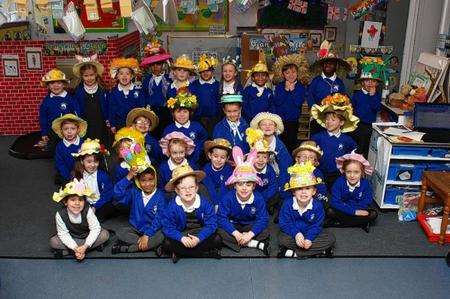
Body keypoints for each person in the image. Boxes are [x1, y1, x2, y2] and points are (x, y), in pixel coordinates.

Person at [162, 164, 222, 263]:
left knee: (217, 239)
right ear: (177, 190)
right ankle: (204, 254)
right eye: (183, 188)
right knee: (166, 243)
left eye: (191, 187)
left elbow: (211, 224)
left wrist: (199, 238)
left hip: (200, 233)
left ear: (196, 188)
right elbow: (168, 227)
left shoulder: (205, 203)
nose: (188, 191)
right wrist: (181, 238)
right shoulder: (172, 207)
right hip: (182, 234)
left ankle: (181, 253)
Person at [217, 147, 270, 256]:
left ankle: (243, 241)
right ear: (235, 185)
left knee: (265, 231)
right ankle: (252, 244)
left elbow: (263, 218)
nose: (244, 188)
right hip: (233, 226)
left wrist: (250, 234)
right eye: (240, 184)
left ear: (254, 186)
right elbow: (221, 218)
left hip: (249, 226)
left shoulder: (258, 198)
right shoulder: (227, 198)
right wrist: (236, 233)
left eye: (248, 184)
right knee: (217, 230)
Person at [278, 162, 335, 258]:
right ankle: (318, 252)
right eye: (299, 188)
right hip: (294, 234)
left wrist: (309, 238)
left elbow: (317, 225)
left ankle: (294, 253)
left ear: (313, 191)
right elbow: (284, 223)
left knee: (330, 238)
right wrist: (296, 234)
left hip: (311, 234)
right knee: (282, 239)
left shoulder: (318, 206)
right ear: (293, 191)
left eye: (308, 188)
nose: (304, 192)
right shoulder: (287, 204)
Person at [50, 178, 109, 261]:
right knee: (54, 242)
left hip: (87, 236)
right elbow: (63, 234)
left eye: (80, 200)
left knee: (104, 234)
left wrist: (85, 246)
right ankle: (85, 250)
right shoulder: (60, 214)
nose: (77, 203)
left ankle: (70, 252)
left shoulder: (88, 210)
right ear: (65, 202)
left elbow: (95, 229)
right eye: (73, 200)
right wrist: (75, 247)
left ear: (84, 202)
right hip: (72, 238)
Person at [112, 165, 166, 254]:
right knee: (120, 232)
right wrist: (129, 176)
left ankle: (130, 248)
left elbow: (159, 219)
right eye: (143, 180)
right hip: (136, 229)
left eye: (151, 180)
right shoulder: (135, 192)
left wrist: (147, 234)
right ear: (138, 181)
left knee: (163, 234)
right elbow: (117, 194)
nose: (147, 184)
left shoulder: (160, 196)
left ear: (155, 179)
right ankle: (152, 246)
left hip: (153, 230)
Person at [310, 93, 359, 188]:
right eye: (327, 119)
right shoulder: (317, 137)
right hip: (319, 173)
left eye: (332, 120)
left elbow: (353, 155)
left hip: (338, 175)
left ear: (341, 122)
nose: (328, 122)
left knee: (335, 196)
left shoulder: (347, 140)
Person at [326, 151, 378, 233]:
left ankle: (340, 223)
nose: (352, 175)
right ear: (344, 171)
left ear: (362, 173)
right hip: (343, 209)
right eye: (348, 172)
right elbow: (335, 202)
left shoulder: (365, 183)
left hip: (357, 208)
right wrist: (354, 212)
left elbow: (367, 200)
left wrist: (356, 210)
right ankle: (359, 223)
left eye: (356, 172)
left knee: (373, 214)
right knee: (329, 211)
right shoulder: (338, 182)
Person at [308, 41, 350, 134]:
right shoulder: (316, 81)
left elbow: (344, 98)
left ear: (336, 66)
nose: (328, 65)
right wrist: (314, 111)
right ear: (322, 65)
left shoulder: (339, 82)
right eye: (326, 63)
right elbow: (309, 96)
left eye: (331, 63)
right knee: (317, 140)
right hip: (318, 118)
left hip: (334, 120)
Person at [272, 53, 310, 152]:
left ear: (298, 73)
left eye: (293, 72)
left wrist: (293, 91)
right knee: (280, 143)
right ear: (283, 74)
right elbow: (277, 101)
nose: (291, 75)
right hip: (280, 121)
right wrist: (285, 89)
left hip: (293, 121)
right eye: (287, 73)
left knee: (292, 144)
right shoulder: (280, 86)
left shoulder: (301, 87)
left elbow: (298, 103)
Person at [72, 138, 115, 222]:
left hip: (100, 203)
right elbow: (75, 194)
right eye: (89, 162)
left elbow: (108, 194)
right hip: (85, 203)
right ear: (82, 161)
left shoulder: (103, 175)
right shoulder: (78, 176)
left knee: (110, 207)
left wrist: (95, 206)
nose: (92, 165)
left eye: (95, 162)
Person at [250, 112, 292, 195]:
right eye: (264, 124)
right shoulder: (254, 142)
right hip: (259, 175)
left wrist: (281, 185)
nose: (267, 127)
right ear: (258, 127)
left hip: (278, 176)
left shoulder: (280, 146)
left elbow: (286, 167)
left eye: (271, 124)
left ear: (276, 127)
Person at [163, 88, 207, 166]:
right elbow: (165, 148)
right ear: (173, 114)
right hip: (175, 165)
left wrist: (197, 151)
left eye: (185, 112)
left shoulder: (197, 126)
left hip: (194, 164)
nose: (182, 115)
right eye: (178, 112)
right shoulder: (168, 129)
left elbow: (203, 140)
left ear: (190, 113)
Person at [37, 69, 79, 151]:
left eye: (59, 83)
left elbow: (77, 112)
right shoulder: (46, 101)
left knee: (70, 148)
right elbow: (43, 118)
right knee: (54, 149)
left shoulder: (70, 99)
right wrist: (44, 132)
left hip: (68, 130)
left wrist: (77, 126)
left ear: (64, 85)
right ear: (48, 86)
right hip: (52, 131)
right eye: (52, 83)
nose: (56, 86)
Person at [72, 54, 110, 144]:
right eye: (86, 76)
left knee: (101, 143)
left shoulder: (103, 89)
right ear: (82, 76)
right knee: (88, 144)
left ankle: (102, 156)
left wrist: (108, 119)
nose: (89, 78)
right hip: (86, 123)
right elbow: (77, 108)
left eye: (92, 75)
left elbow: (108, 105)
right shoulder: (78, 91)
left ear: (96, 74)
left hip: (101, 123)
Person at [351, 57, 384, 158]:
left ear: (377, 84)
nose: (370, 83)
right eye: (367, 81)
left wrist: (372, 96)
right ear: (362, 82)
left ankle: (363, 165)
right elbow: (351, 109)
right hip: (357, 125)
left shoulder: (376, 96)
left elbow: (377, 108)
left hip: (369, 126)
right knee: (356, 148)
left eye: (373, 81)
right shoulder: (357, 95)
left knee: (366, 149)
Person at [141, 39, 172, 137]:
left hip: (166, 112)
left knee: (166, 135)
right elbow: (144, 95)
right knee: (152, 135)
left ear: (163, 64)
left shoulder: (169, 79)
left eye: (158, 64)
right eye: (152, 64)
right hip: (151, 112)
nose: (155, 67)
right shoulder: (146, 80)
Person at [108, 58, 145, 133]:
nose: (124, 76)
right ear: (117, 76)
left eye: (127, 74)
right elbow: (111, 110)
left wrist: (141, 122)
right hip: (120, 125)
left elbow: (142, 107)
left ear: (132, 76)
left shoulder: (138, 90)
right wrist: (113, 124)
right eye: (121, 73)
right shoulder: (113, 92)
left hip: (135, 124)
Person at [245, 128, 277, 207]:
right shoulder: (247, 169)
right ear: (251, 157)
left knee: (276, 196)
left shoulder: (269, 170)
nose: (261, 160)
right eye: (257, 156)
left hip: (265, 196)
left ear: (268, 159)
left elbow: (273, 186)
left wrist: (262, 197)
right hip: (249, 195)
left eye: (264, 157)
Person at [52, 114, 87, 185]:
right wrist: (69, 176)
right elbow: (60, 163)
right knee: (66, 185)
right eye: (66, 129)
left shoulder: (83, 143)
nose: (69, 132)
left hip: (82, 172)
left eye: (73, 129)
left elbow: (87, 159)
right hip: (67, 172)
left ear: (78, 130)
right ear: (61, 131)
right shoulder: (60, 146)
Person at [190, 54, 221, 133]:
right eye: (203, 71)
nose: (205, 73)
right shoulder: (193, 85)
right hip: (197, 119)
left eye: (208, 70)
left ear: (212, 71)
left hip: (215, 120)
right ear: (199, 72)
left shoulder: (218, 85)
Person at [202, 138, 233, 210]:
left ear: (227, 158)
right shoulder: (206, 169)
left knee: (231, 189)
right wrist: (215, 204)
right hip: (210, 194)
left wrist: (219, 204)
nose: (218, 160)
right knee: (203, 189)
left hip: (223, 194)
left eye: (222, 157)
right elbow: (210, 187)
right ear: (210, 155)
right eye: (215, 156)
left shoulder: (228, 169)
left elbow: (224, 187)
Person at [242, 51, 273, 122]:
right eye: (257, 75)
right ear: (252, 78)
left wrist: (268, 118)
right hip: (250, 121)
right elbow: (245, 106)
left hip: (265, 122)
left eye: (263, 75)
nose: (260, 78)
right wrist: (254, 118)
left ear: (267, 77)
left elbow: (272, 106)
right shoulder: (247, 90)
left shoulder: (269, 91)